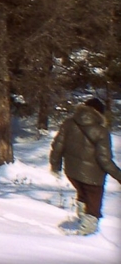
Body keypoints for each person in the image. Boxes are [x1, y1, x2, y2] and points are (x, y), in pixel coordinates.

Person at [50, 96, 121, 235]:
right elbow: (104, 160)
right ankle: (86, 236)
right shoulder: (101, 131)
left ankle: (81, 220)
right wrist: (119, 175)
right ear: (99, 113)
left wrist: (55, 165)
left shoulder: (68, 123)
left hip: (71, 172)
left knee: (82, 194)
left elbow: (57, 146)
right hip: (93, 178)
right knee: (93, 209)